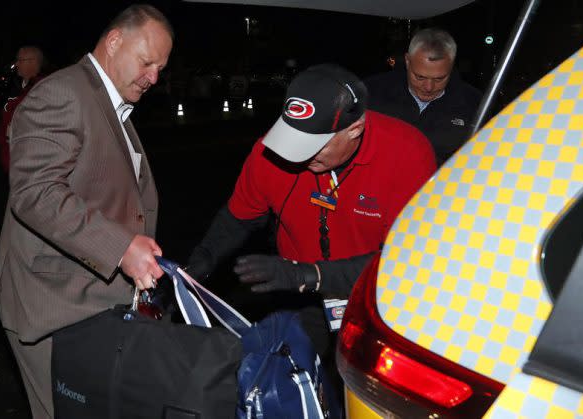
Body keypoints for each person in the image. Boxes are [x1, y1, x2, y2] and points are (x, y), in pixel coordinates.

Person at [186, 63, 436, 384]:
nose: (296, 156)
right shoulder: (270, 151)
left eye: (312, 146)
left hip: (375, 299)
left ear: (355, 128)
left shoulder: (408, 154)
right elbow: (239, 217)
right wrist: (203, 258)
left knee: (367, 388)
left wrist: (310, 274)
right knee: (287, 383)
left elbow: (406, 260)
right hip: (300, 298)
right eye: (293, 140)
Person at [0, 5, 173, 418]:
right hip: (52, 307)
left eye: (161, 68)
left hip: (94, 301)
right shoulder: (63, 92)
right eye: (147, 62)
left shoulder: (113, 106)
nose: (154, 77)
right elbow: (35, 192)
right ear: (114, 42)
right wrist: (121, 247)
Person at [364, 28, 482, 166]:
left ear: (451, 65)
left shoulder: (474, 104)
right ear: (408, 61)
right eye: (420, 77)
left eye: (439, 79)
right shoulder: (372, 92)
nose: (428, 87)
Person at [0, 46, 46, 172]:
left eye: (20, 60)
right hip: (13, 163)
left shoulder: (44, 90)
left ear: (33, 62)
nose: (16, 64)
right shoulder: (15, 87)